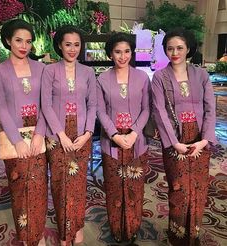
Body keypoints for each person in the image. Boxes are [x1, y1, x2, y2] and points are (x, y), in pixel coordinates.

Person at [151, 28, 216, 246]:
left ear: (188, 48)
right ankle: (177, 237)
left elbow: (210, 108)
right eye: (170, 48)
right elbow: (159, 111)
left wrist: (205, 140)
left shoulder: (202, 75)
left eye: (179, 47)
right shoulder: (159, 78)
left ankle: (194, 235)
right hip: (174, 140)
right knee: (178, 189)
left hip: (200, 138)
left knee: (198, 189)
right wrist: (174, 143)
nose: (175, 52)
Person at [0, 19, 47, 246]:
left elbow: (47, 104)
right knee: (20, 189)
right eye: (18, 40)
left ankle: (39, 236)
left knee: (40, 189)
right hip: (14, 140)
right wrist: (17, 141)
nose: (24, 46)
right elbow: (1, 108)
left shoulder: (42, 68)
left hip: (39, 138)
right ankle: (26, 238)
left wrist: (40, 134)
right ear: (7, 41)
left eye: (28, 41)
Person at [41, 25, 96, 246]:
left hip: (81, 135)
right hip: (57, 136)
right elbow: (45, 104)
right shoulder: (50, 70)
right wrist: (60, 134)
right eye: (67, 44)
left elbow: (92, 105)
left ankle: (79, 229)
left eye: (76, 44)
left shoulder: (88, 72)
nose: (72, 49)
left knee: (79, 184)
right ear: (59, 46)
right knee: (60, 184)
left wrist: (88, 133)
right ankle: (65, 233)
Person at [96, 32, 150, 243]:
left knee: (135, 186)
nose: (123, 56)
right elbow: (100, 110)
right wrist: (115, 135)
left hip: (138, 142)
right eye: (117, 52)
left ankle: (133, 228)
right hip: (112, 142)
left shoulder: (142, 77)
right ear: (110, 54)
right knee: (114, 187)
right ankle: (117, 230)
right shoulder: (102, 78)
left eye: (127, 51)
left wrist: (135, 132)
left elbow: (147, 109)